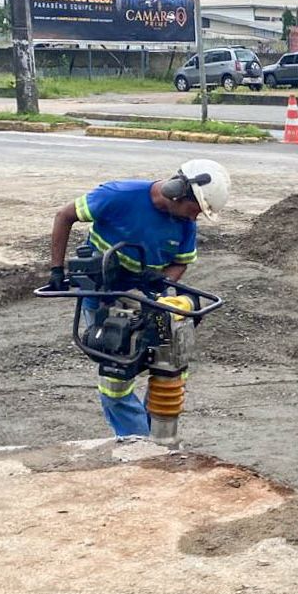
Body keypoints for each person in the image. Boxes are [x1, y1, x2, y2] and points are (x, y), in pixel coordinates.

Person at [45, 159, 230, 437]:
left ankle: (158, 435)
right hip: (103, 291)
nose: (195, 218)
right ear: (176, 191)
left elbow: (181, 261)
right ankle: (138, 441)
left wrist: (161, 280)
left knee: (169, 363)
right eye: (195, 210)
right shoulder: (119, 195)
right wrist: (57, 269)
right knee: (116, 371)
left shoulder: (184, 224)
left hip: (146, 297)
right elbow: (64, 215)